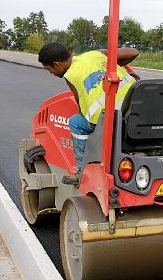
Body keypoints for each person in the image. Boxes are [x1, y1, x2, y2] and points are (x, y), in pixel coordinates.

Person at [38, 42, 139, 185]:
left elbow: (81, 108)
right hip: (135, 111)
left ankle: (81, 170)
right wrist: (113, 62)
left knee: (76, 122)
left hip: (111, 120)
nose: (52, 74)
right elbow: (133, 52)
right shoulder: (95, 54)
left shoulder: (70, 76)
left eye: (49, 70)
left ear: (57, 64)